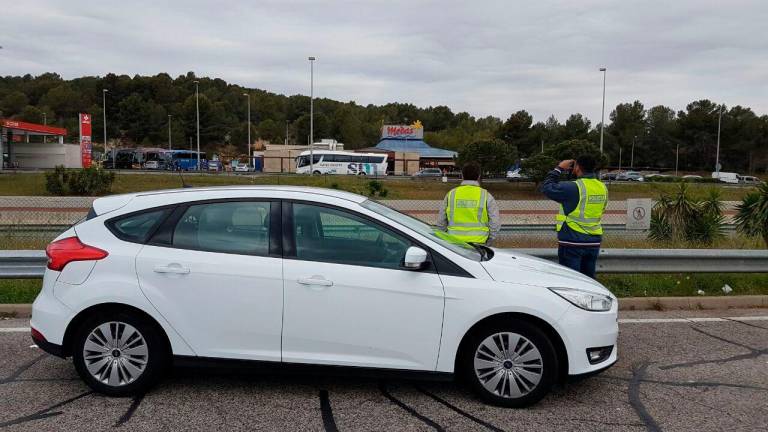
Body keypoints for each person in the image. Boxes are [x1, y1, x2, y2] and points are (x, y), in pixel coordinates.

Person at [541, 155, 607, 278]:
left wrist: (558, 168)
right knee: (588, 281)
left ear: (577, 167)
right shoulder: (602, 187)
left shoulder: (574, 187)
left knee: (571, 281)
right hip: (593, 242)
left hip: (572, 242)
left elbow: (546, 188)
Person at [437, 162, 501, 245]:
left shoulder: (451, 194)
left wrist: (446, 238)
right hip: (479, 242)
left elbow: (441, 221)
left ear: (462, 175)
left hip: (454, 242)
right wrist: (489, 240)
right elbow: (495, 222)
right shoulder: (486, 196)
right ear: (478, 176)